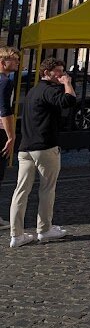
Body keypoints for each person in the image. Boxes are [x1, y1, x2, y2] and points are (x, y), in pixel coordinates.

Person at [9, 57, 76, 248]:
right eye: (58, 71)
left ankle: (16, 234)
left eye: (63, 71)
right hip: (45, 147)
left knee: (21, 191)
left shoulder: (33, 91)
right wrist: (67, 84)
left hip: (26, 148)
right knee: (47, 188)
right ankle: (44, 229)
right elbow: (69, 101)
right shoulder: (50, 89)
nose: (62, 74)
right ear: (46, 73)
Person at [1, 48, 21, 220]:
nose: (17, 62)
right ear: (3, 62)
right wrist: (11, 136)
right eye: (14, 60)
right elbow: (5, 110)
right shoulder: (6, 82)